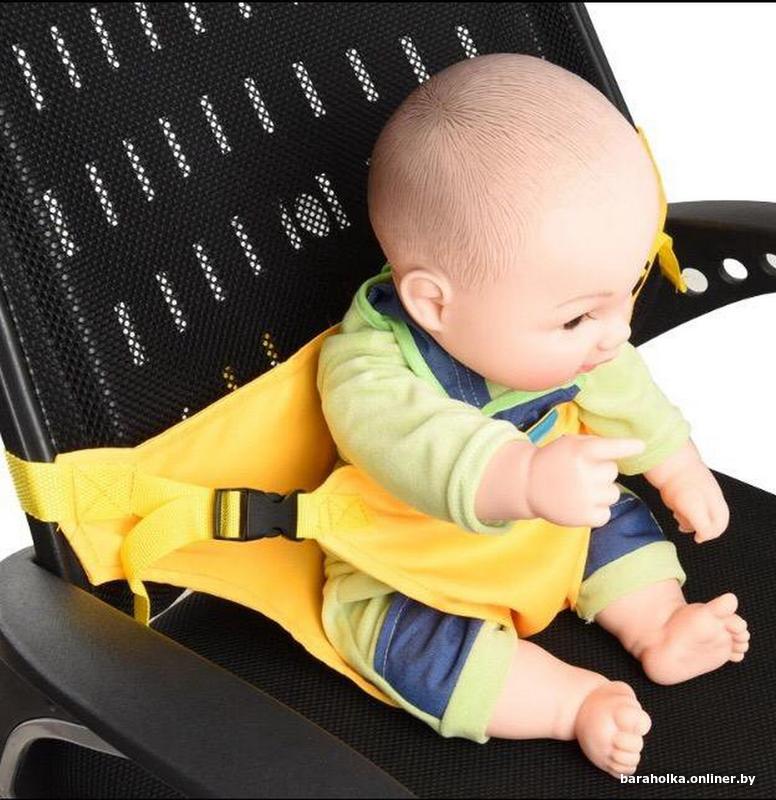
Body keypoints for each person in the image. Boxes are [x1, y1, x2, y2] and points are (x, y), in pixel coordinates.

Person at [316, 53, 748, 778]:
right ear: (434, 304)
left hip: (554, 528)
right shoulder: (367, 370)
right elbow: (414, 445)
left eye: (627, 290)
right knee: (393, 640)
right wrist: (521, 478)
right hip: (418, 564)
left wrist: (675, 461)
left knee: (618, 522)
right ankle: (568, 702)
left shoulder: (582, 338)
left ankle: (660, 624)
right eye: (579, 316)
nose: (616, 332)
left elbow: (624, 392)